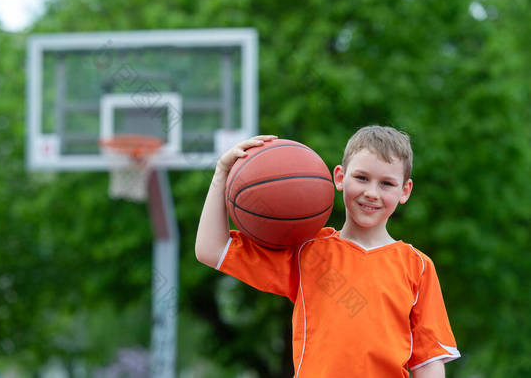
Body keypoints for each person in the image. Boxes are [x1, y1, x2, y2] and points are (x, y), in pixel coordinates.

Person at [195, 125, 460, 378]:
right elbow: (210, 249)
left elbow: (428, 362)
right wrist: (222, 172)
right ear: (340, 177)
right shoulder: (306, 252)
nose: (371, 192)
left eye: (386, 184)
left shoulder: (418, 266)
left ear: (405, 190)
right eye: (362, 178)